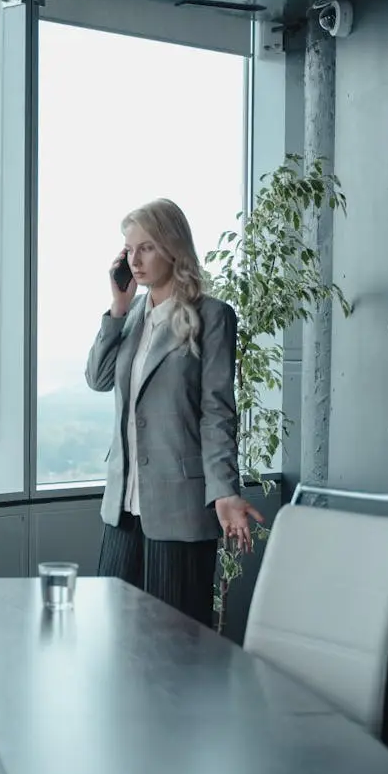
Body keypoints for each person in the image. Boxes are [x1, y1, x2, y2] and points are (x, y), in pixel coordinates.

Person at [84, 197, 263, 627]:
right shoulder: (131, 318)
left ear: (172, 246)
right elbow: (98, 377)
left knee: (175, 644)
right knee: (113, 635)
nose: (135, 258)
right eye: (129, 249)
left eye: (146, 246)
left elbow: (217, 411)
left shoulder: (213, 316)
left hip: (180, 509)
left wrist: (224, 491)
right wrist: (118, 307)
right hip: (123, 509)